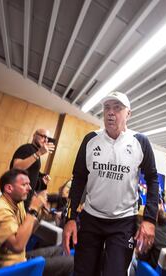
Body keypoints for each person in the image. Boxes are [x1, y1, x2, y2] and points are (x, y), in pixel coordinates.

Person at [62, 91, 159, 276]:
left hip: (123, 222)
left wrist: (149, 219)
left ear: (128, 113)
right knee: (82, 272)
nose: (110, 113)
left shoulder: (140, 141)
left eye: (117, 108)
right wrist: (70, 218)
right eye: (107, 108)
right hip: (91, 218)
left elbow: (153, 179)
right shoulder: (90, 139)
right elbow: (79, 179)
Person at [0, 169, 73, 275]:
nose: (29, 188)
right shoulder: (0, 210)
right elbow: (17, 246)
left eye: (29, 184)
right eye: (25, 184)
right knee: (72, 262)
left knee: (60, 250)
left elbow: (27, 232)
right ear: (9, 188)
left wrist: (39, 214)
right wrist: (33, 209)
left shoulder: (17, 203)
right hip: (9, 267)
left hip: (19, 258)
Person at [10, 129, 55, 207]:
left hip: (26, 198)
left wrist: (42, 179)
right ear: (34, 135)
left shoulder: (35, 153)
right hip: (16, 196)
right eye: (43, 136)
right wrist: (39, 153)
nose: (46, 140)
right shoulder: (26, 148)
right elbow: (16, 167)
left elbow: (30, 174)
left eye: (47, 138)